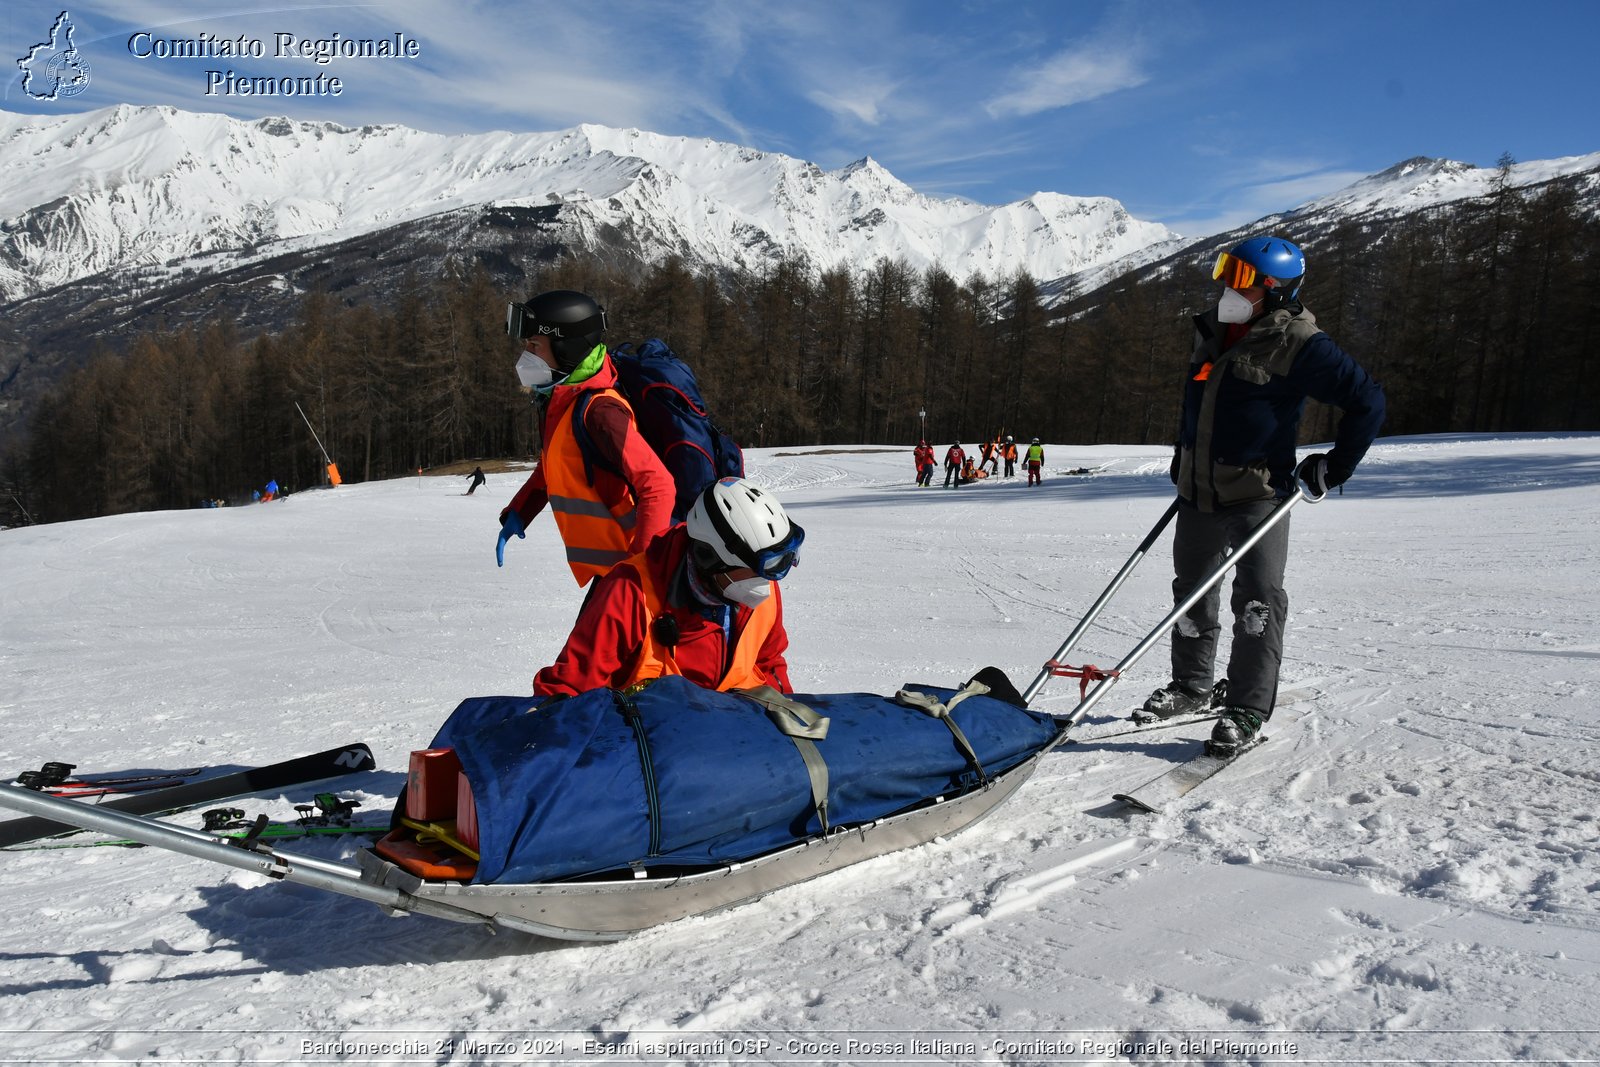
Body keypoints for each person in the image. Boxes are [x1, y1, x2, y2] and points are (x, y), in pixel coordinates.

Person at [1143, 235, 1386, 754]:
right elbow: (1203, 407)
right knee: (1191, 592)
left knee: (1257, 603)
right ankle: (1191, 686)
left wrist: (1334, 466)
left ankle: (1248, 707)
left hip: (1258, 493)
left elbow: (1368, 401)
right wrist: (1184, 455)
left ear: (1274, 289)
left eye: (1244, 279)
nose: (1230, 286)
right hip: (1198, 491)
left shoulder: (1299, 342)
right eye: (1228, 273)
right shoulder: (1215, 331)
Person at [533, 478, 801, 697]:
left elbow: (769, 664)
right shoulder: (629, 592)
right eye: (755, 570)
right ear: (710, 559)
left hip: (736, 748)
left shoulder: (759, 591)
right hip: (651, 750)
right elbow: (568, 688)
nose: (766, 582)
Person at [497, 290, 675, 584]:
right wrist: (521, 509)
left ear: (568, 348)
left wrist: (642, 569)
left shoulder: (600, 412)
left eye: (534, 345)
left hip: (631, 572)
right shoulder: (564, 400)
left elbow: (658, 485)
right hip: (611, 573)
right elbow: (555, 462)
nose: (526, 355)